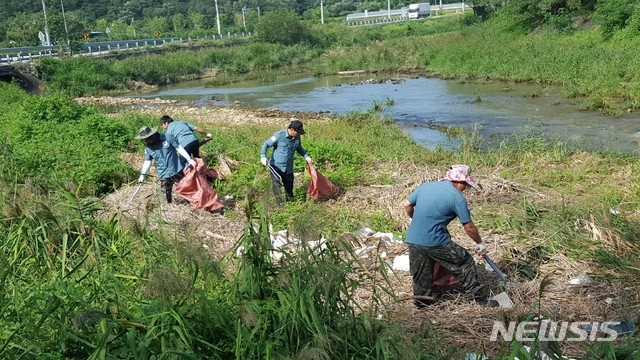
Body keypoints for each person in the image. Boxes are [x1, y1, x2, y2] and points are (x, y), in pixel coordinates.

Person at [401, 164, 498, 308]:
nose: (466, 188)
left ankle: (422, 302)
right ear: (460, 182)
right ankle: (476, 298)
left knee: (422, 271)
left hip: (413, 239)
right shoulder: (457, 197)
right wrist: (480, 243)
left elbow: (406, 204)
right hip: (435, 240)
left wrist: (417, 221)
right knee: (464, 261)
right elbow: (469, 227)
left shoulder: (426, 186)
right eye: (466, 185)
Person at [135, 126, 197, 203]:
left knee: (186, 188)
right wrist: (143, 175)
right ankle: (170, 206)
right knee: (166, 195)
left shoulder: (167, 137)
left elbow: (178, 148)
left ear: (153, 135)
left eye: (149, 138)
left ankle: (192, 202)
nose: (148, 140)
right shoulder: (148, 148)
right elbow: (148, 161)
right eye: (146, 139)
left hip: (176, 168)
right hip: (163, 173)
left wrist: (189, 159)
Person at [260, 119, 312, 205]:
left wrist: (306, 156)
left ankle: (290, 203)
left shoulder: (297, 137)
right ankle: (279, 205)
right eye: (297, 132)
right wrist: (263, 156)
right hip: (276, 166)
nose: (298, 134)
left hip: (288, 167)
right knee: (276, 185)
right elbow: (266, 144)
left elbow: (298, 147)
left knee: (289, 186)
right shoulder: (279, 136)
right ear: (291, 129)